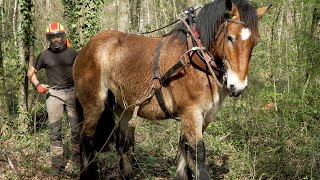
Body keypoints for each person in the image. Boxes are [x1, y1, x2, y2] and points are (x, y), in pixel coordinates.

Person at [27, 22, 80, 173]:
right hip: (54, 95)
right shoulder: (44, 55)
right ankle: (57, 164)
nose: (56, 40)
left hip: (72, 94)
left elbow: (83, 72)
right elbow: (30, 73)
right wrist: (38, 85)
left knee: (76, 129)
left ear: (63, 36)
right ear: (49, 38)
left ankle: (77, 159)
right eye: (52, 37)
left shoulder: (73, 53)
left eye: (58, 36)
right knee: (55, 131)